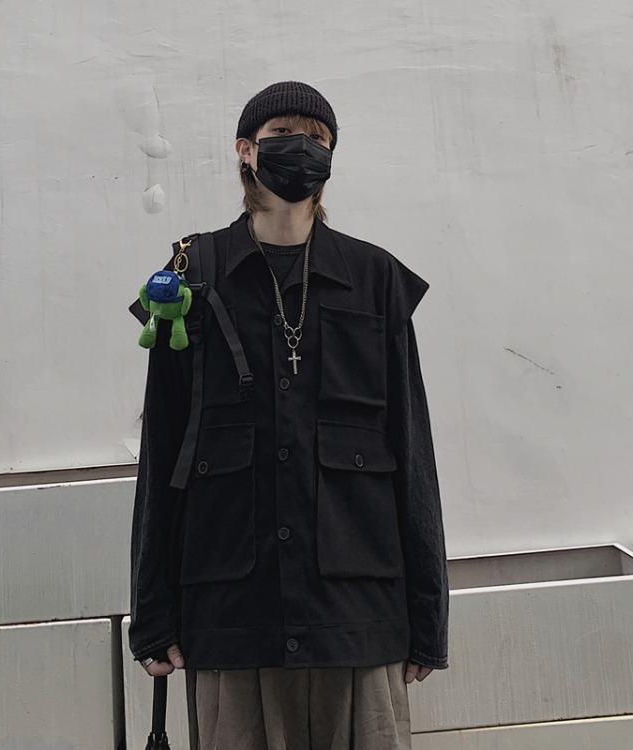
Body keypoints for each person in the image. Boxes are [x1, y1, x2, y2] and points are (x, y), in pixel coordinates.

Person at [129, 81, 449, 750]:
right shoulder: (192, 275)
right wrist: (152, 614)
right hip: (231, 616)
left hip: (357, 617)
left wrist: (430, 617)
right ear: (245, 151)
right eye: (281, 134)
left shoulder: (376, 279)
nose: (301, 146)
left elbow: (412, 452)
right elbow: (161, 447)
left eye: (317, 137)